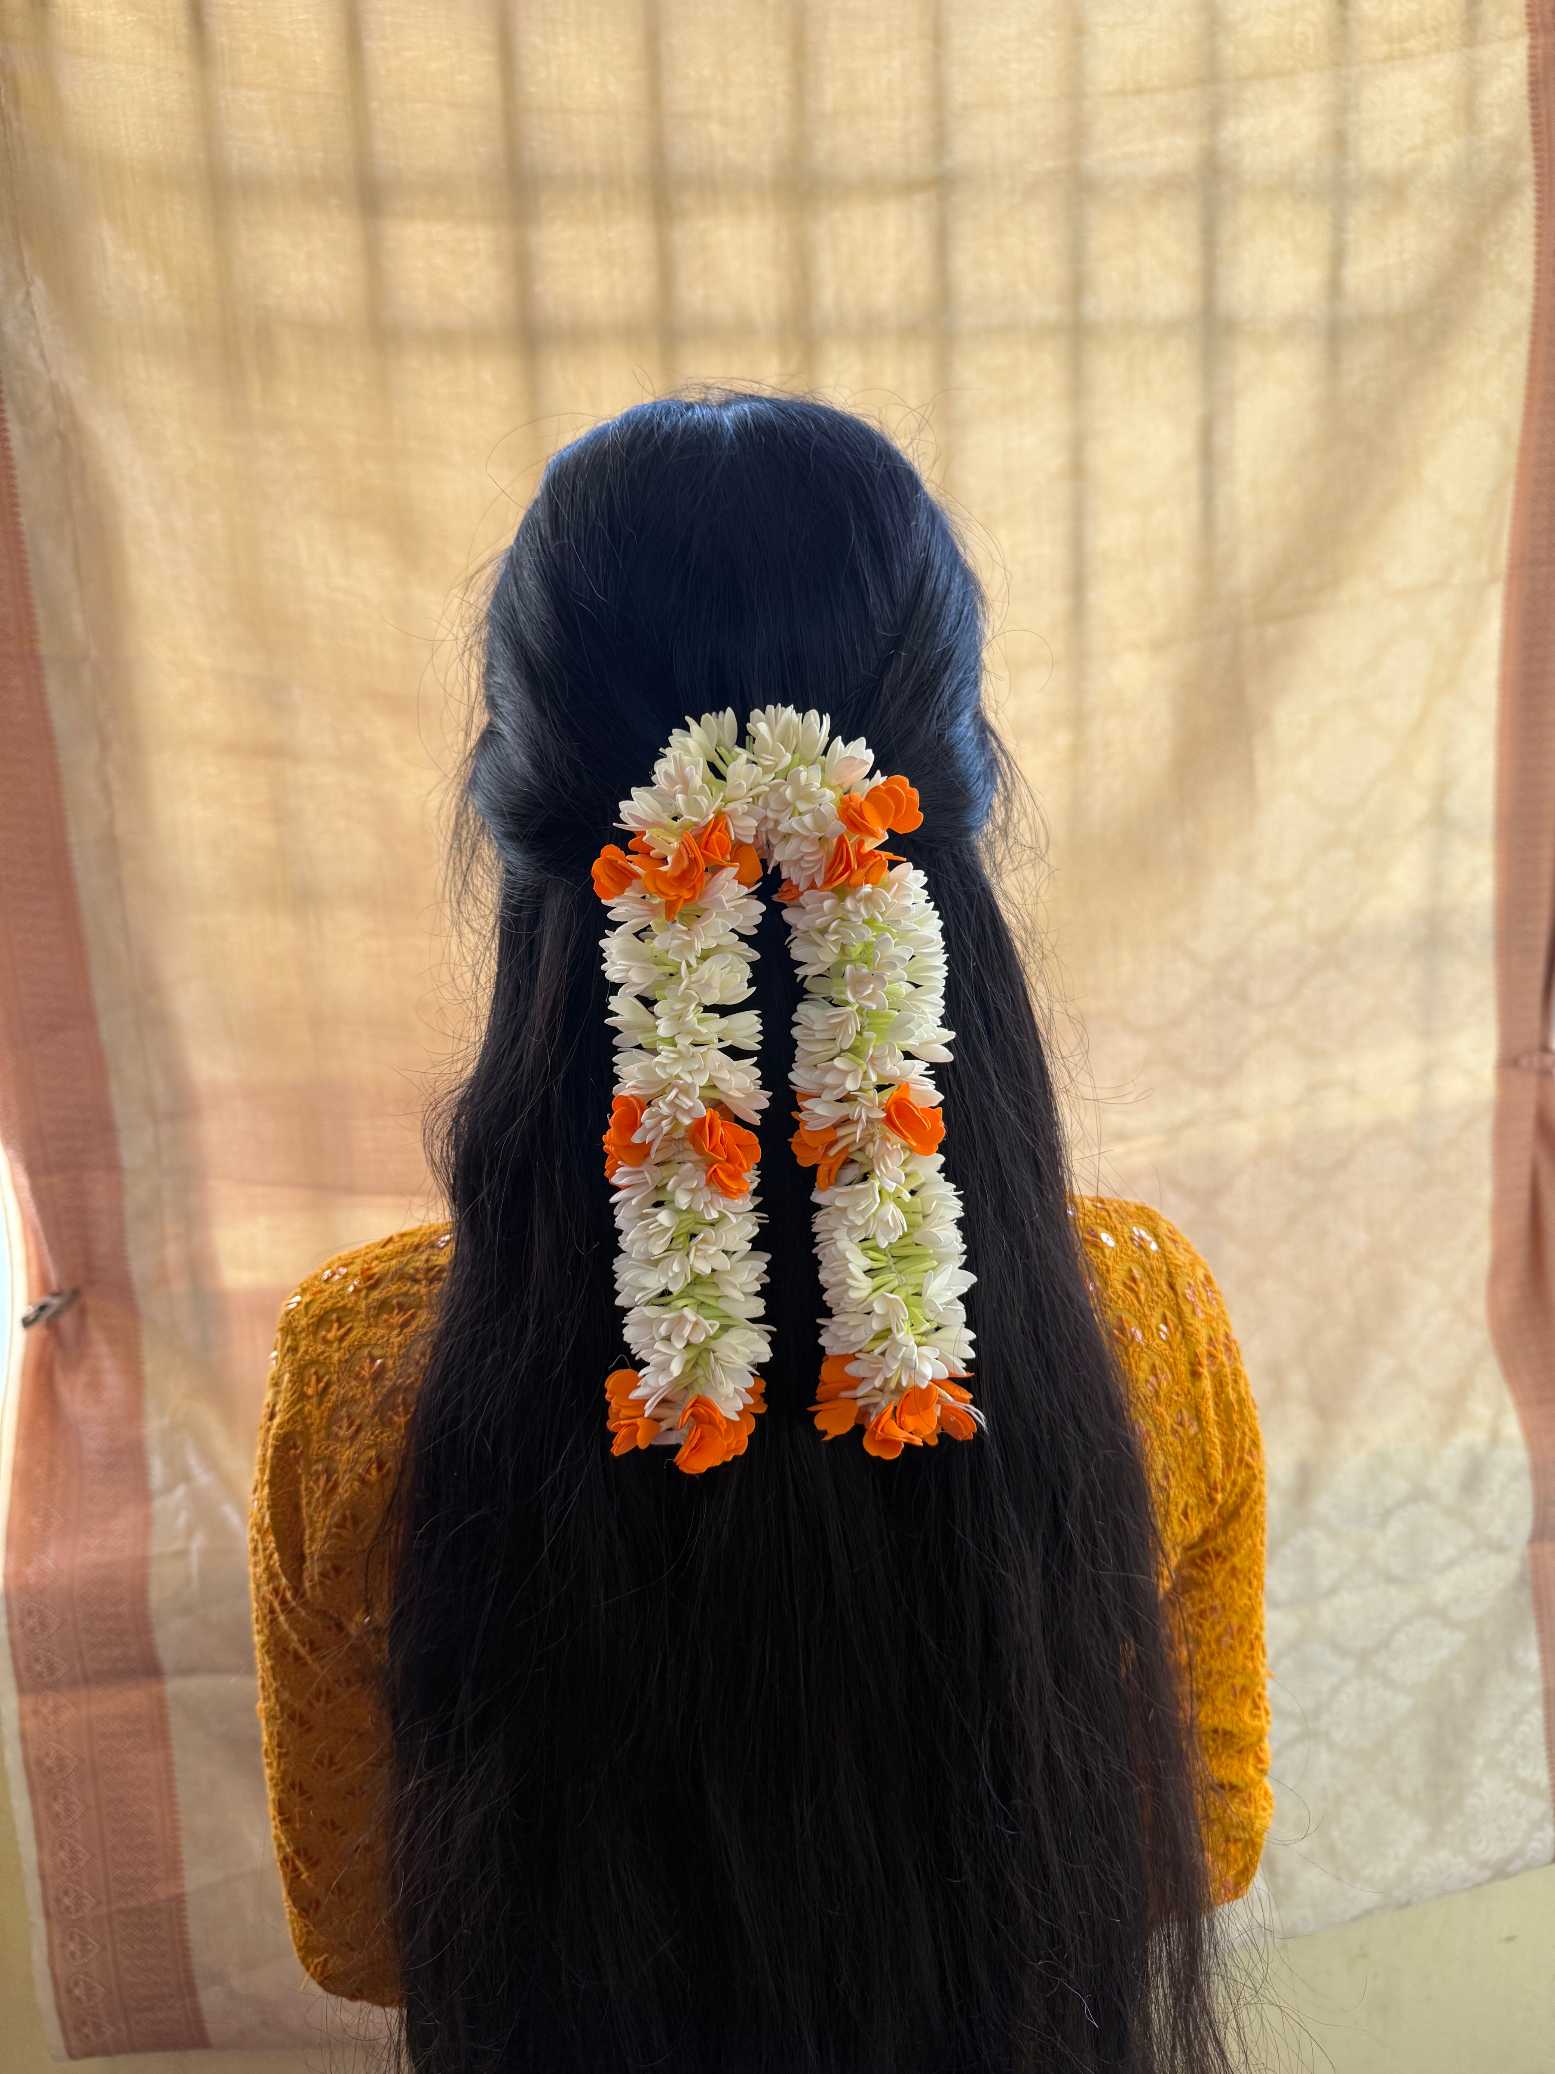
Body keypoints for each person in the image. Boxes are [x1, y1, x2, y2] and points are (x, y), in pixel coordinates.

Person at [249, 390, 1272, 2074]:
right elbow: (1197, 1841)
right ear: (953, 790)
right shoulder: (1143, 1319)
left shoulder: (363, 1372)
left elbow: (363, 1929)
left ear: (518, 804)